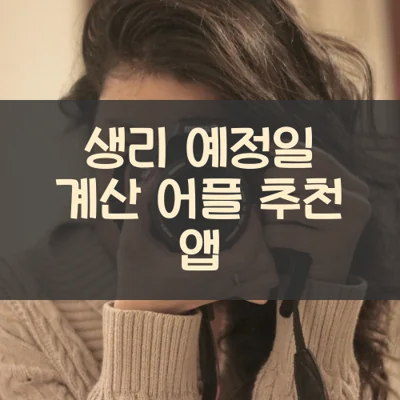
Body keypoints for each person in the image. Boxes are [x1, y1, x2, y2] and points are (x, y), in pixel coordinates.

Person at [0, 0, 397, 399]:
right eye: (129, 143)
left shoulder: (361, 289)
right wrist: (147, 324)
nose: (157, 182)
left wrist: (318, 302)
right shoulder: (18, 312)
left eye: (196, 149)